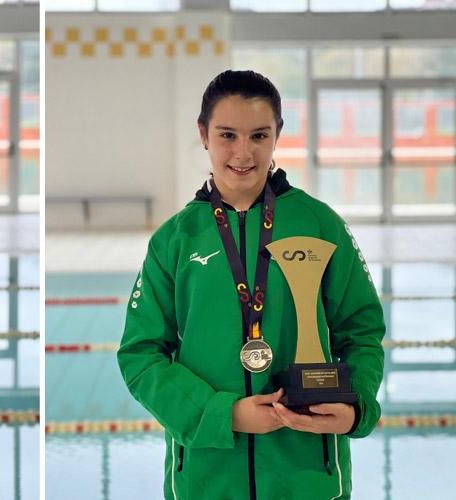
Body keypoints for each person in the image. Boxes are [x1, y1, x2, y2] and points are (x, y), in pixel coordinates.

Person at [117, 70, 384, 500]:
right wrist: (224, 414)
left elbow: (362, 332)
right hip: (207, 476)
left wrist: (356, 408)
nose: (243, 153)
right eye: (228, 135)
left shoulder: (320, 225)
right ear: (203, 134)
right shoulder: (175, 239)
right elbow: (141, 355)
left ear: (277, 134)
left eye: (259, 135)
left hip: (305, 475)